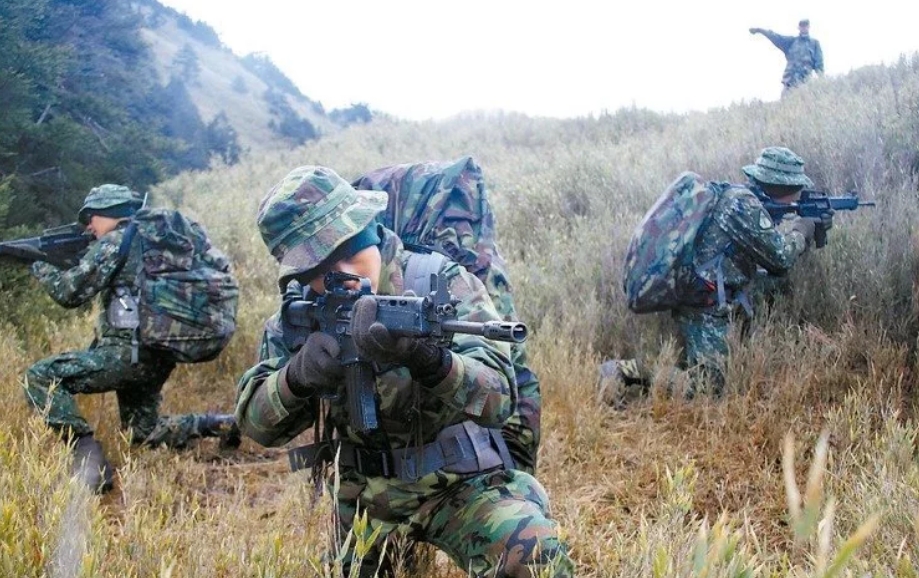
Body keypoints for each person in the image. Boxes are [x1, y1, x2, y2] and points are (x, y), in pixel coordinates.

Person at [236, 166, 574, 578]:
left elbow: (499, 398)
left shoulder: (437, 281)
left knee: (532, 555)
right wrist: (297, 377)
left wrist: (430, 361)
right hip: (365, 498)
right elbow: (256, 426)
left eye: (351, 250)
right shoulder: (301, 313)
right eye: (322, 270)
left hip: (460, 483)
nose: (346, 275)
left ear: (370, 230)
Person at [24, 184, 239, 495]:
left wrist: (40, 265)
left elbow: (70, 293)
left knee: (41, 376)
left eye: (91, 218)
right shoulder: (151, 242)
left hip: (128, 355)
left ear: (108, 213)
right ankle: (221, 424)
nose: (88, 226)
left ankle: (88, 457)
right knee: (143, 432)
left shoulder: (114, 242)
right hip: (157, 352)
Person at [600, 147, 824, 403]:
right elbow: (780, 259)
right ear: (783, 187)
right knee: (708, 386)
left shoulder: (739, 197)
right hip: (705, 304)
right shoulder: (744, 206)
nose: (799, 194)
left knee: (769, 290)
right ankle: (623, 371)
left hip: (709, 294)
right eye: (797, 189)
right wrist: (802, 228)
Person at [750, 19, 824, 94]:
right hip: (789, 83)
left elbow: (819, 63)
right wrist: (760, 30)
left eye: (805, 26)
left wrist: (822, 82)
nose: (803, 28)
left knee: (804, 100)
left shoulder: (814, 43)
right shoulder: (791, 41)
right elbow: (776, 37)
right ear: (799, 27)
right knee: (786, 100)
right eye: (802, 26)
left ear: (808, 27)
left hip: (805, 83)